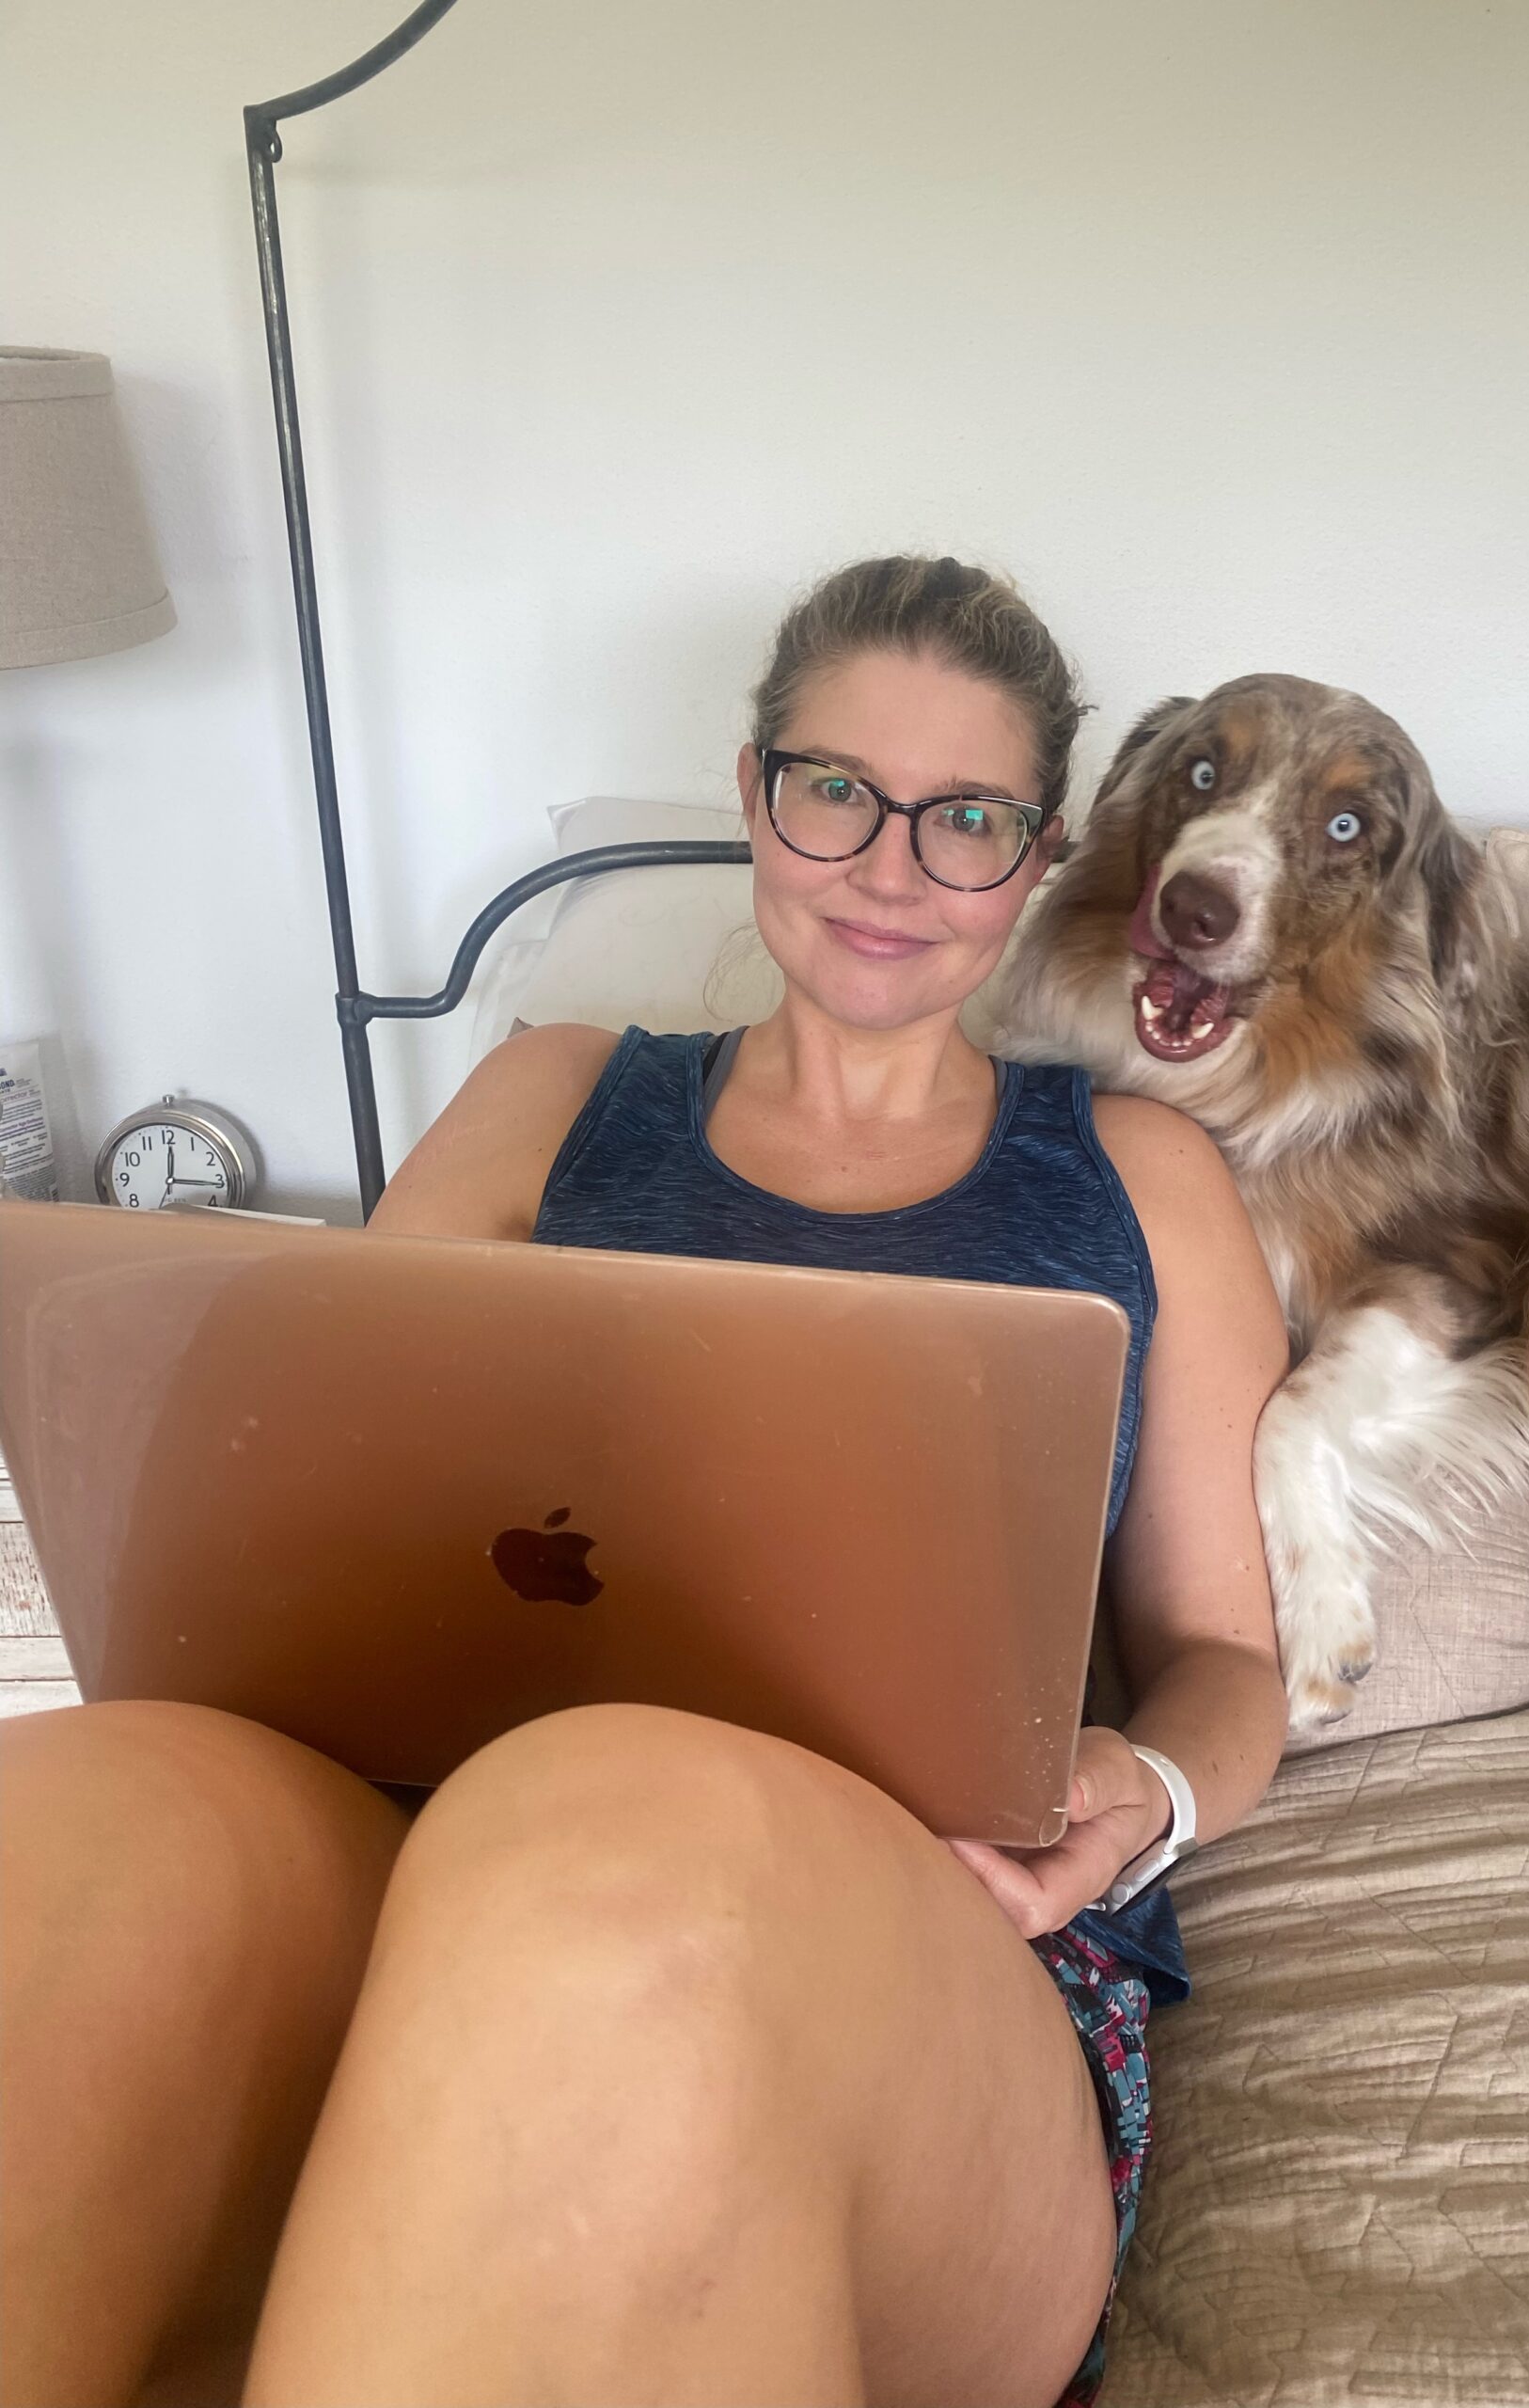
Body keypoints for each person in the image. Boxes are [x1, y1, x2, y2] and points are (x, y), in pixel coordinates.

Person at [0, 556, 1288, 2408]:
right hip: (421, 1821)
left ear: (1036, 857)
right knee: (85, 1808)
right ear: (756, 790)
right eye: (837, 789)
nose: (891, 867)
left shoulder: (1140, 1175)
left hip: (921, 1933)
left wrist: (1137, 1789)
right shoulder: (551, 1091)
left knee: (615, 1820)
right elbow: (323, 1470)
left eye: (966, 819)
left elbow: (1228, 1662)